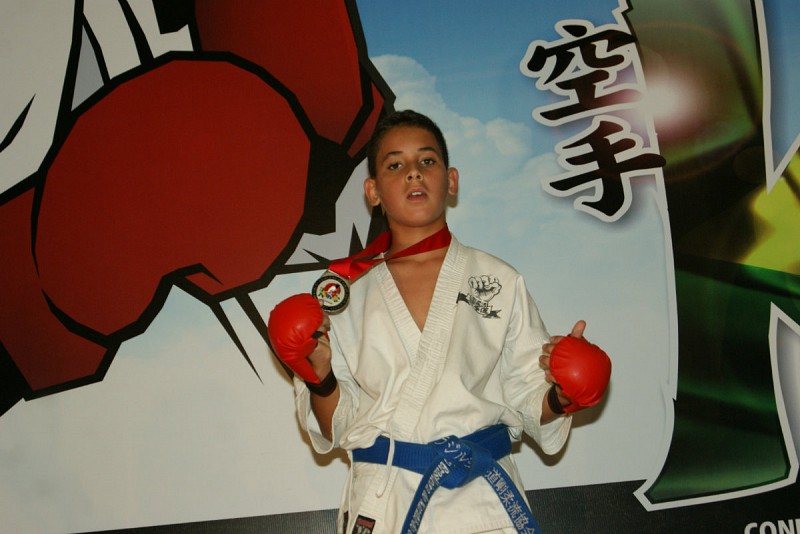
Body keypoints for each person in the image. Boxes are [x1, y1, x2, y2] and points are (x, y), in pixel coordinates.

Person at [268, 110, 611, 534]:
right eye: (395, 165)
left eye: (426, 161)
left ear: (451, 181)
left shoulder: (498, 279)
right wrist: (319, 378)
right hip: (386, 501)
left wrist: (563, 395)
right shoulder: (343, 294)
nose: (413, 173)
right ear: (373, 191)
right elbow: (335, 427)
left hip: (481, 500)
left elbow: (527, 398)